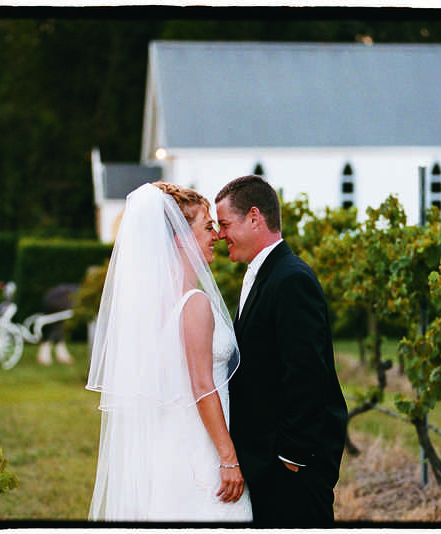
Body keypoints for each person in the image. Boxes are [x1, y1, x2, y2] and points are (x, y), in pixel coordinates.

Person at [86, 182, 252, 522]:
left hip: (169, 442)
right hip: (202, 448)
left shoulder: (152, 305)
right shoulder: (195, 303)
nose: (216, 236)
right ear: (181, 238)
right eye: (207, 227)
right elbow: (202, 385)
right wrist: (228, 456)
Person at [215, 175, 348, 525]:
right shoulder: (261, 273)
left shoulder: (291, 279)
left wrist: (292, 456)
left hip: (292, 470)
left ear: (255, 218)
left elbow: (306, 373)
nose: (220, 234)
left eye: (226, 224)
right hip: (266, 462)